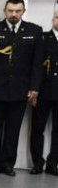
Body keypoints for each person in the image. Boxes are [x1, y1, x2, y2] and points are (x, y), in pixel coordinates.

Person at [0, 0, 44, 176]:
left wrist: (34, 88)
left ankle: (8, 164)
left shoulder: (34, 31)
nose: (14, 14)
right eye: (10, 11)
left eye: (17, 11)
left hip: (20, 90)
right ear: (4, 10)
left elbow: (37, 64)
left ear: (23, 11)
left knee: (13, 130)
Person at [31, 11, 58, 175]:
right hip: (43, 91)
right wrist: (34, 89)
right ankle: (37, 163)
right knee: (37, 128)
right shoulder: (43, 38)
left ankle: (53, 163)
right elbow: (35, 65)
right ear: (53, 19)